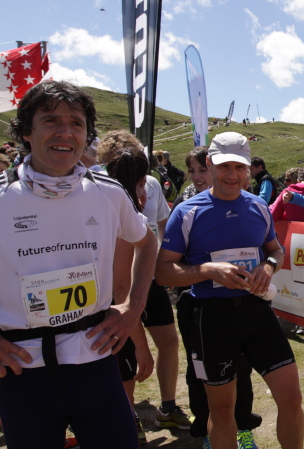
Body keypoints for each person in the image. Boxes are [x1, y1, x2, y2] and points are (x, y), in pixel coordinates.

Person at [0, 80, 157, 449]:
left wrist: (133, 307)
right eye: (51, 121)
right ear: (27, 132)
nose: (65, 133)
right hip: (22, 371)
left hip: (95, 362)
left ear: (87, 135)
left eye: (76, 123)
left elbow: (147, 242)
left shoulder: (108, 192)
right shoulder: (4, 197)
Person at [155, 132, 304, 449]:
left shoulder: (258, 206)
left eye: (240, 167)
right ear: (210, 164)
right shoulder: (187, 211)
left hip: (256, 313)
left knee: (292, 399)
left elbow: (276, 252)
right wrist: (208, 271)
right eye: (225, 166)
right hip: (212, 318)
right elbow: (163, 271)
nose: (232, 175)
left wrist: (268, 267)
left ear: (248, 168)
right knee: (222, 412)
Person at [97, 131, 192, 442]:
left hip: (147, 280)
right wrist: (140, 345)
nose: (143, 193)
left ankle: (167, 407)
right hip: (117, 291)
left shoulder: (149, 184)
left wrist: (161, 261)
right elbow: (121, 288)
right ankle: (129, 421)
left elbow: (160, 224)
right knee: (124, 357)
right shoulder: (105, 194)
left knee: (168, 341)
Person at [172, 147, 263, 448]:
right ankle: (207, 429)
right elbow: (168, 266)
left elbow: (268, 248)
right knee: (200, 371)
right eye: (192, 171)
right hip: (197, 305)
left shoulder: (247, 202)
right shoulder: (186, 206)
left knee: (241, 370)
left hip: (240, 305)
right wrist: (206, 271)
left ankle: (243, 427)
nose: (197, 176)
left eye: (202, 170)